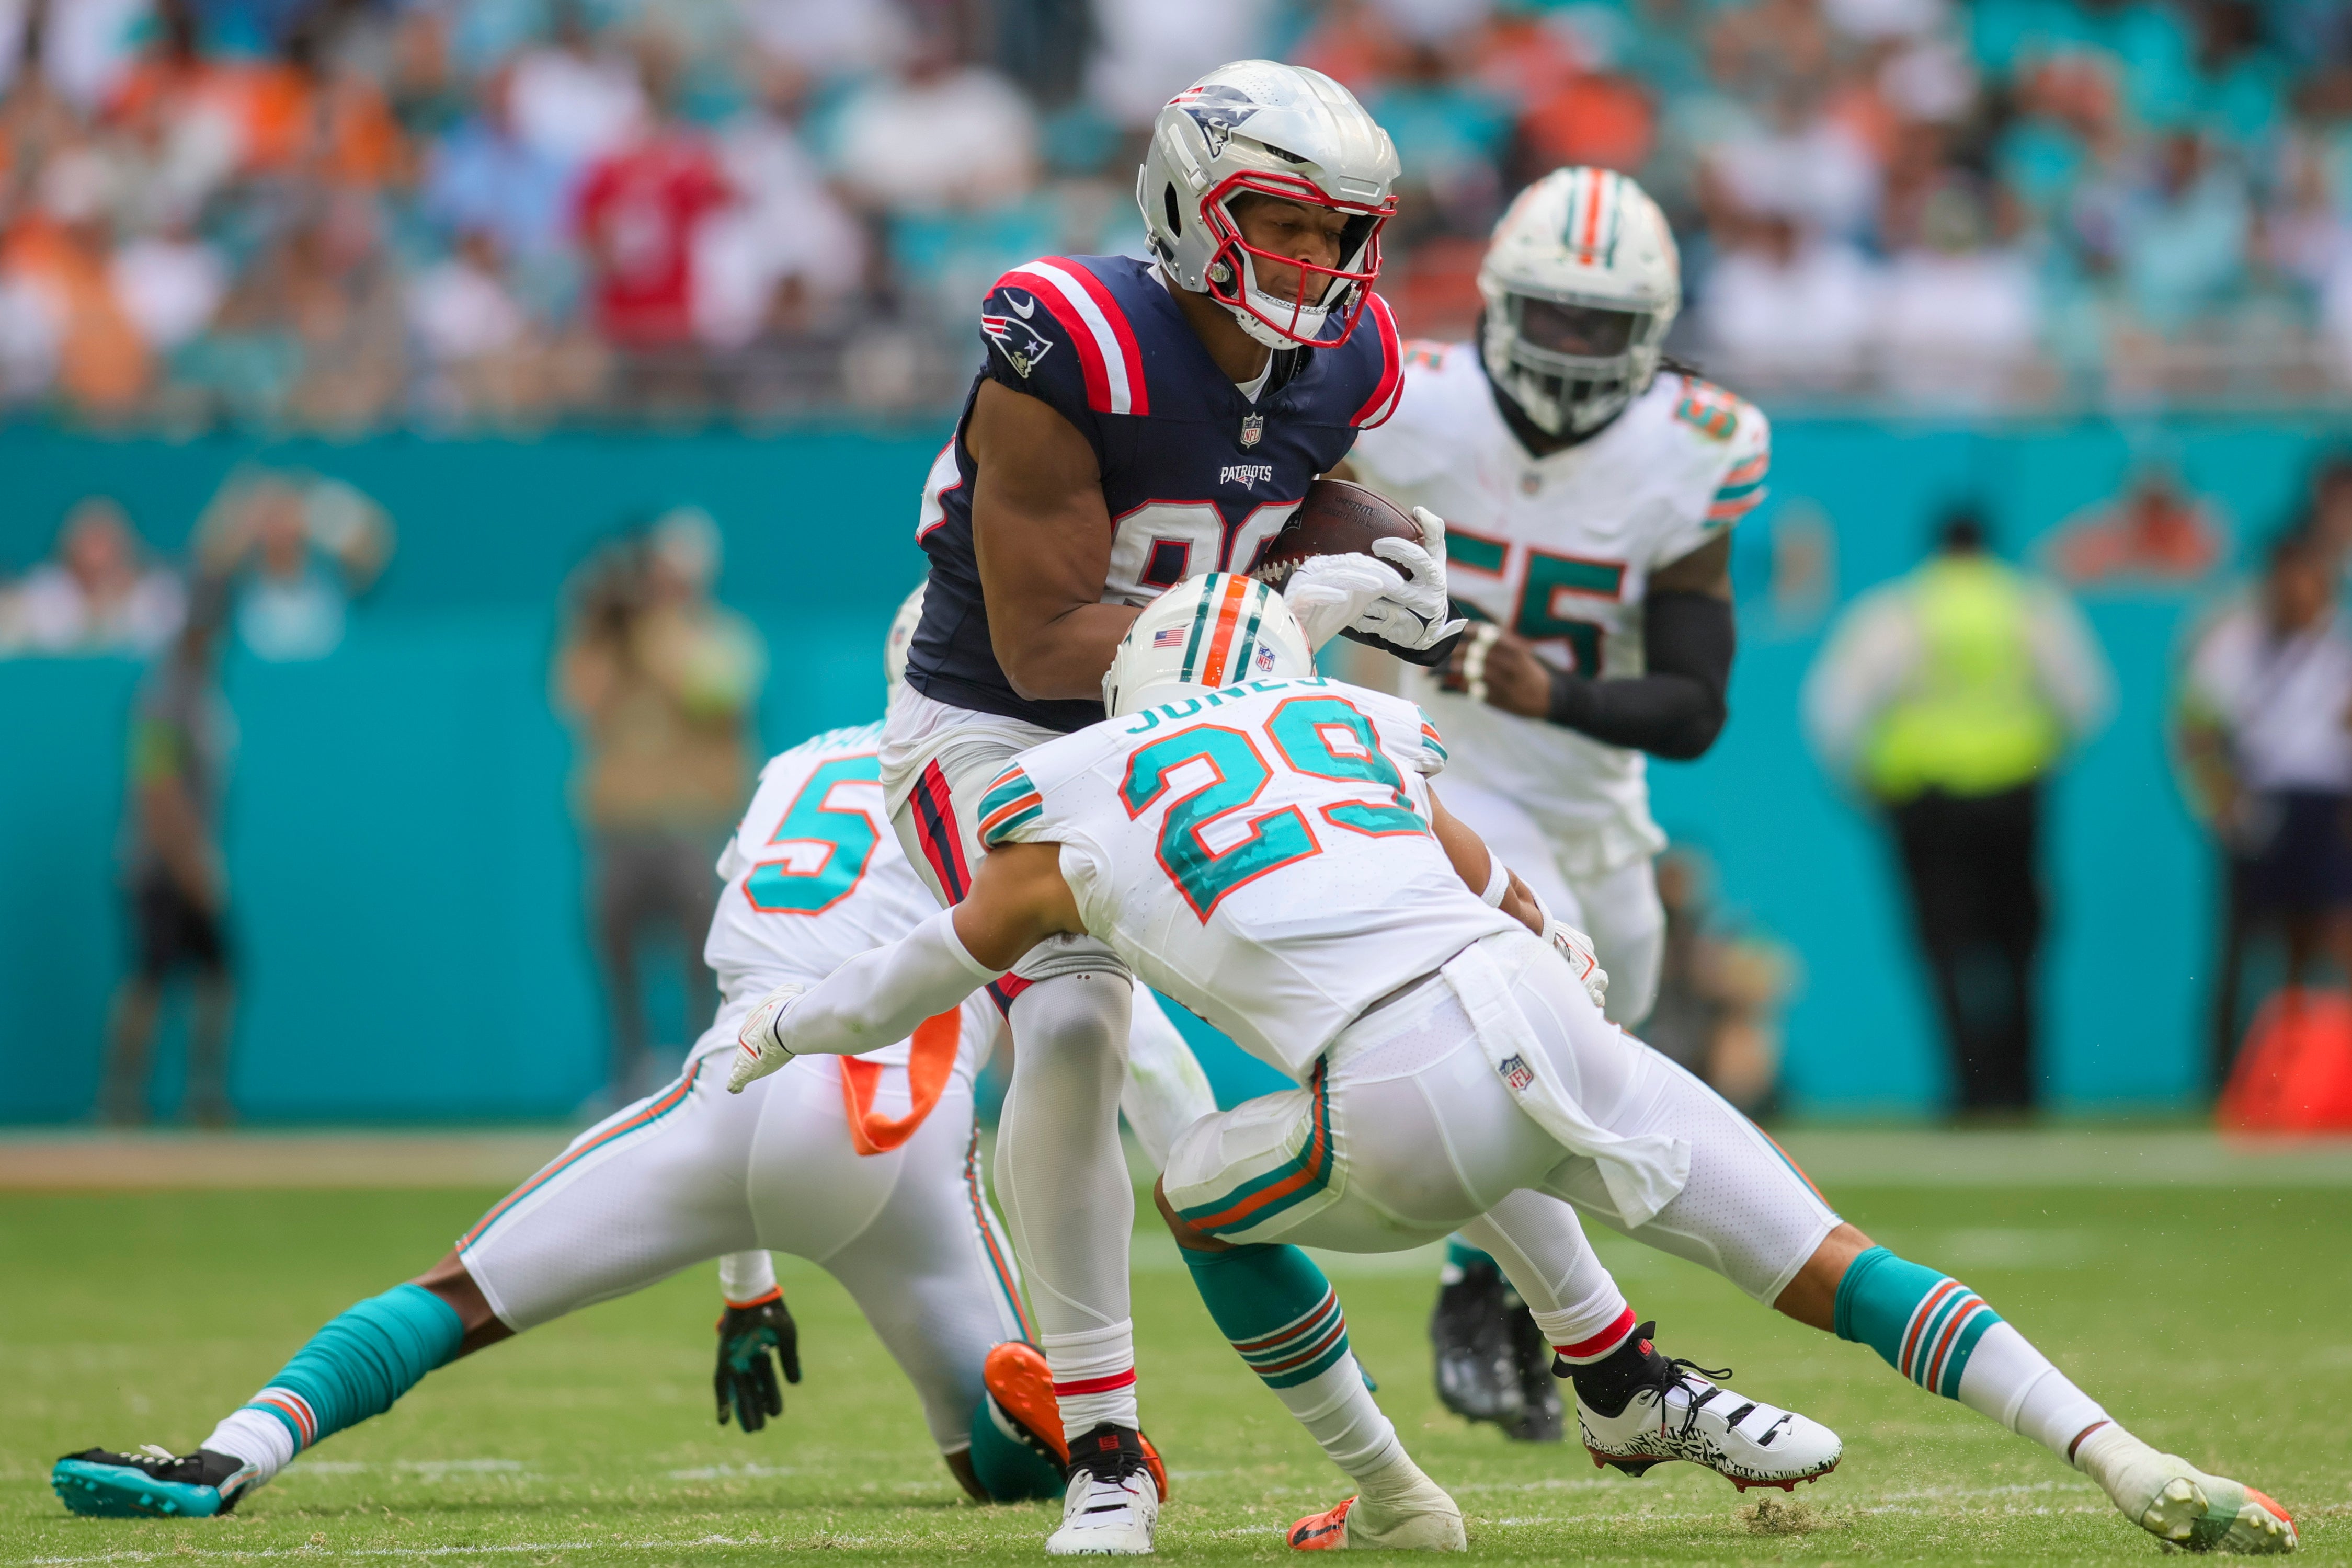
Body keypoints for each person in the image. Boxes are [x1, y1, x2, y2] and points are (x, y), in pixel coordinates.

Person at [735, 574, 2296, 1559]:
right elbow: (1491, 876)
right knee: (1837, 1259)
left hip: (1397, 1086)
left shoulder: (1072, 775)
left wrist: (785, 1025)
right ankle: (2119, 1451)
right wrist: (1562, 952)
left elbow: (931, 963)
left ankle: (1404, 1496)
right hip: (1534, 1018)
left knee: (1205, 1190)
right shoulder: (1356, 728)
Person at [51, 616, 1218, 1521]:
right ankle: (1083, 1448)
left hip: (730, 1096)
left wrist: (745, 1281)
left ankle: (226, 1452)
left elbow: (770, 1010)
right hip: (894, 1136)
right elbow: (1102, 1032)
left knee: (449, 1299)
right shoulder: (1037, 785)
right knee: (1004, 1459)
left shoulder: (795, 768)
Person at [883, 59, 1464, 1555]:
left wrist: (1379, 539)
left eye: (1344, 233)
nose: (1318, 263)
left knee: (1427, 973)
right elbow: (1044, 640)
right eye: (1282, 220)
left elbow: (1276, 476)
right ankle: (1103, 1449)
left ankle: (1611, 1357)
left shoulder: (1349, 356)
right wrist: (1297, 607)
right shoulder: (1067, 337)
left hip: (1200, 711)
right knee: (1071, 1026)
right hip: (999, 725)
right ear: (1187, 203)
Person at [1339, 166, 1762, 1440]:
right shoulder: (1396, 399)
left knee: (1598, 1027)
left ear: (1650, 331)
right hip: (1435, 779)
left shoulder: (1693, 449)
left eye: (1600, 324)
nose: (1572, 348)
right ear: (1496, 303)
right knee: (1532, 1011)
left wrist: (1549, 689)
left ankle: (1516, 1289)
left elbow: (1692, 706)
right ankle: (1490, 1292)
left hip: (1594, 802)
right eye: (1552, 316)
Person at [1803, 510, 2112, 1118]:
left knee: (1942, 949)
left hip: (1927, 803)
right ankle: (2022, 1089)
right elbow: (2086, 700)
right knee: (2018, 946)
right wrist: (2038, 759)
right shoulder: (2028, 605)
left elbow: (1834, 707)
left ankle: (1967, 1089)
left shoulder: (1899, 610)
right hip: (2014, 795)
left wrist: (1861, 785)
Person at [555, 508, 766, 1106]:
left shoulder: (721, 635)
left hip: (690, 829)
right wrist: (590, 618)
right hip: (619, 830)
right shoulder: (612, 644)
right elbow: (576, 698)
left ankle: (714, 1084)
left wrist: (652, 632)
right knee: (617, 966)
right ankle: (627, 1082)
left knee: (710, 966)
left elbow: (714, 692)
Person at [2177, 529, 2352, 1088]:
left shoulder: (2338, 647)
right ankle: (2227, 1078)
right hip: (2263, 802)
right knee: (2244, 944)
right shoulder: (2234, 645)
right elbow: (2197, 731)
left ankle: (2311, 1075)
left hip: (2326, 802)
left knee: (2326, 935)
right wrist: (2226, 805)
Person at [97, 574, 234, 1126]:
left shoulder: (203, 691)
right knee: (148, 981)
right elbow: (155, 786)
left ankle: (202, 1098)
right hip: (158, 865)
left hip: (185, 860)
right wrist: (190, 858)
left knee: (217, 977)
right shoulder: (163, 693)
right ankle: (118, 1100)